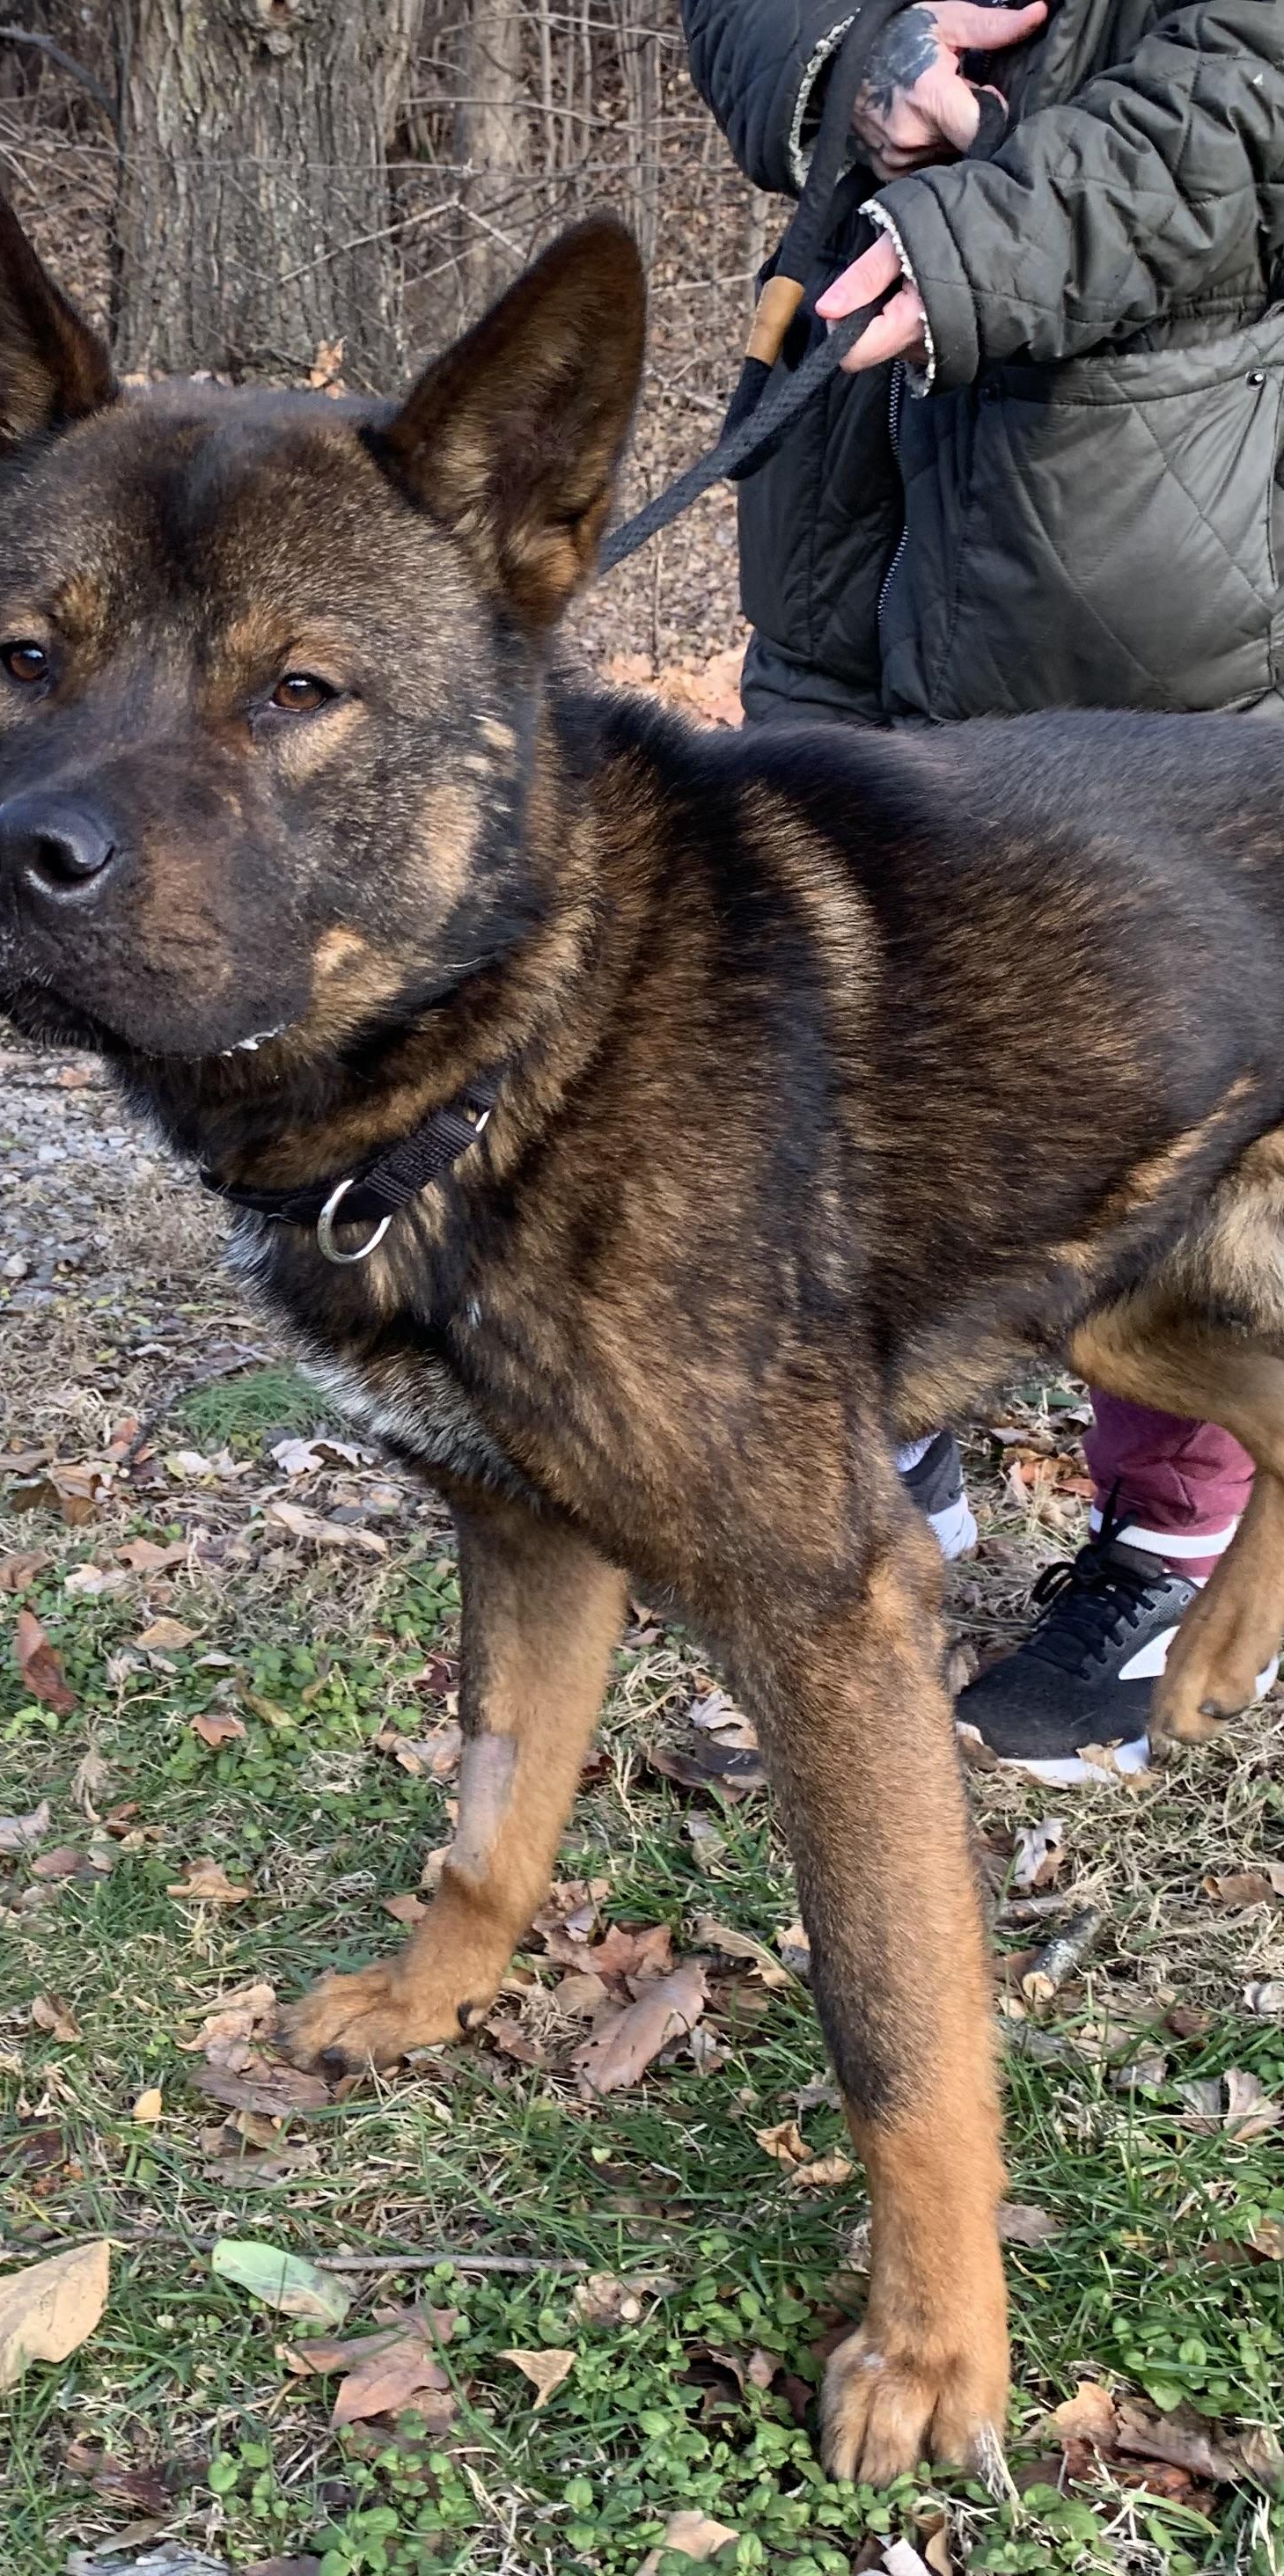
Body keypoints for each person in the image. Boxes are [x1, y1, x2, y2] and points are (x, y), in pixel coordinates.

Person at [680, 0, 1284, 1775]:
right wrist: (855, 58)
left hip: (1147, 519)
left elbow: (1255, 86)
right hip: (853, 491)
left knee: (1156, 1061)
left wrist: (983, 231)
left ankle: (1171, 1550)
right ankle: (884, 1514)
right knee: (822, 1030)